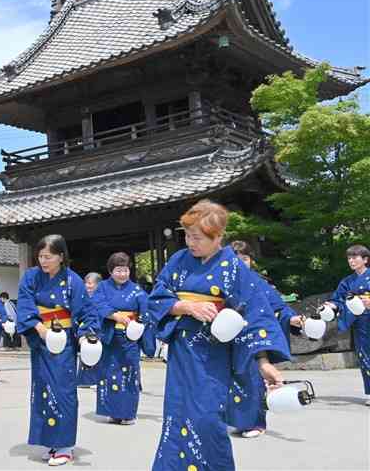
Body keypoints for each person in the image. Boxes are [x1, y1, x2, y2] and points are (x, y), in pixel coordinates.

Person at [148, 200, 290, 471]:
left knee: (207, 418)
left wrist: (264, 363)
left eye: (197, 237)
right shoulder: (178, 260)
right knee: (177, 417)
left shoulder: (234, 268)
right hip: (182, 352)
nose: (190, 242)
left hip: (215, 356)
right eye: (187, 235)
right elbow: (157, 297)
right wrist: (185, 306)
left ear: (218, 237)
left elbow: (256, 316)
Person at [16, 234, 88, 467]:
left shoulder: (73, 280)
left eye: (48, 257)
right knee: (43, 389)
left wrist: (87, 336)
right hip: (41, 341)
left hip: (63, 344)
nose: (43, 261)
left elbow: (86, 311)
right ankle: (50, 442)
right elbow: (25, 305)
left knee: (64, 391)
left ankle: (65, 446)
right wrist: (39, 327)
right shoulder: (31, 277)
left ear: (60, 256)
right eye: (40, 256)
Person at [226, 240, 304, 437]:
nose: (242, 263)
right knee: (233, 379)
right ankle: (239, 421)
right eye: (237, 259)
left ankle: (256, 423)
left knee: (253, 378)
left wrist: (291, 318)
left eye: (246, 259)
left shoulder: (258, 281)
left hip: (254, 336)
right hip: (229, 336)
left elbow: (278, 306)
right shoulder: (222, 281)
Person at [86, 253, 155, 425]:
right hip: (110, 336)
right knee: (109, 373)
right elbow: (97, 303)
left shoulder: (137, 290)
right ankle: (113, 412)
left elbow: (147, 311)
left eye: (125, 270)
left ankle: (128, 413)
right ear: (110, 271)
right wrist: (114, 315)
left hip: (129, 338)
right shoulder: (102, 287)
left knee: (129, 373)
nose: (122, 274)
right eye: (118, 270)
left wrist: (140, 324)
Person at [324, 244, 370, 406]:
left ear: (365, 259)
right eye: (349, 258)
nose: (351, 261)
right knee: (365, 356)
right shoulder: (347, 281)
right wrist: (331, 306)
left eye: (355, 257)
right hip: (361, 324)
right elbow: (338, 300)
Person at [77, 272, 103, 388]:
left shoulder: (102, 298)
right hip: (86, 327)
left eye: (90, 283)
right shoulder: (82, 298)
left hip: (97, 328)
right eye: (86, 283)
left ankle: (96, 380)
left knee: (96, 354)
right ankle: (84, 380)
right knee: (86, 353)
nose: (87, 286)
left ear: (98, 285)